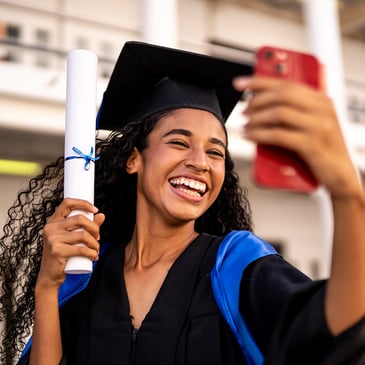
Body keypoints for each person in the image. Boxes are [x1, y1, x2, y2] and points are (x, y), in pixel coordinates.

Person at [1, 40, 364, 365]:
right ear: (134, 160)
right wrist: (47, 289)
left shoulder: (235, 266)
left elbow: (334, 326)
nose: (200, 162)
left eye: (215, 151)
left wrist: (347, 191)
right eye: (178, 142)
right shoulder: (87, 274)